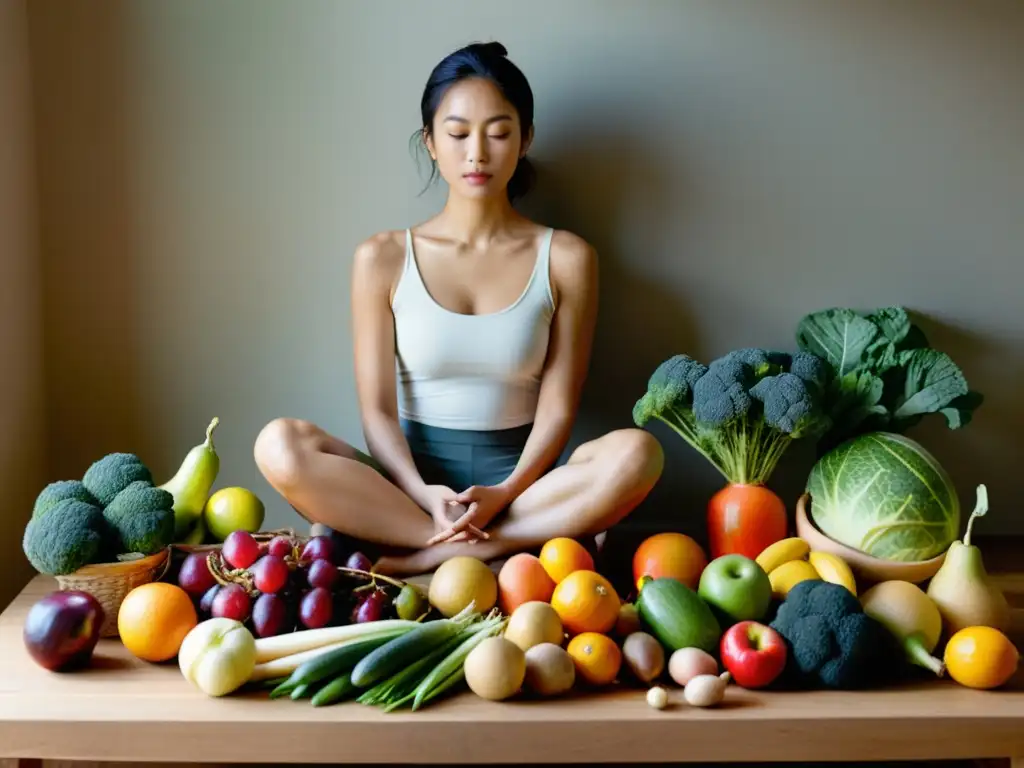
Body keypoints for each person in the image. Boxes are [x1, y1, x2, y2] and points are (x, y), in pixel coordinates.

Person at [253, 41, 664, 576]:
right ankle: (460, 539)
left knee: (639, 453)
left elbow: (559, 410)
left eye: (498, 133)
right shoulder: (381, 258)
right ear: (429, 141)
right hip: (406, 492)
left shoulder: (566, 258)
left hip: (521, 495)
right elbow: (377, 413)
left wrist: (504, 493)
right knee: (279, 445)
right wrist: (423, 493)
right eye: (457, 133)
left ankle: (437, 552)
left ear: (525, 140)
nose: (477, 153)